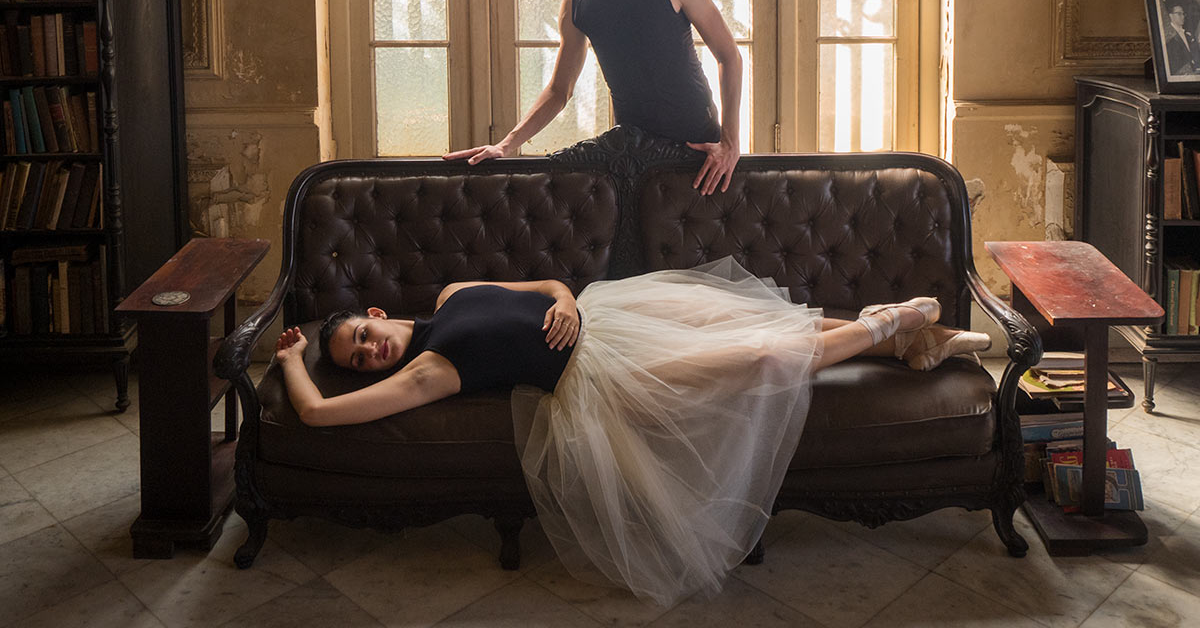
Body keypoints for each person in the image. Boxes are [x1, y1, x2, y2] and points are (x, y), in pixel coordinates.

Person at [273, 258, 990, 606]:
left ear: (375, 310)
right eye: (359, 361)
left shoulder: (451, 294)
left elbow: (550, 286)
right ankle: (887, 322)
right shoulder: (428, 372)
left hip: (607, 317)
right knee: (764, 357)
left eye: (363, 336)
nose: (370, 353)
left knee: (757, 318)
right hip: (605, 380)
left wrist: (568, 307)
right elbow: (314, 414)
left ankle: (914, 345)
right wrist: (296, 360)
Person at [443, 0, 742, 196]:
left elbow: (729, 56)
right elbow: (560, 90)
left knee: (712, 248)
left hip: (698, 152)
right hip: (631, 157)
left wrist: (730, 142)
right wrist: (506, 145)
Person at [1163, 2, 1200, 76]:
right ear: (1171, 16)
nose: (1183, 16)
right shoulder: (1167, 36)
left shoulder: (1187, 34)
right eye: (1179, 14)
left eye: (1183, 14)